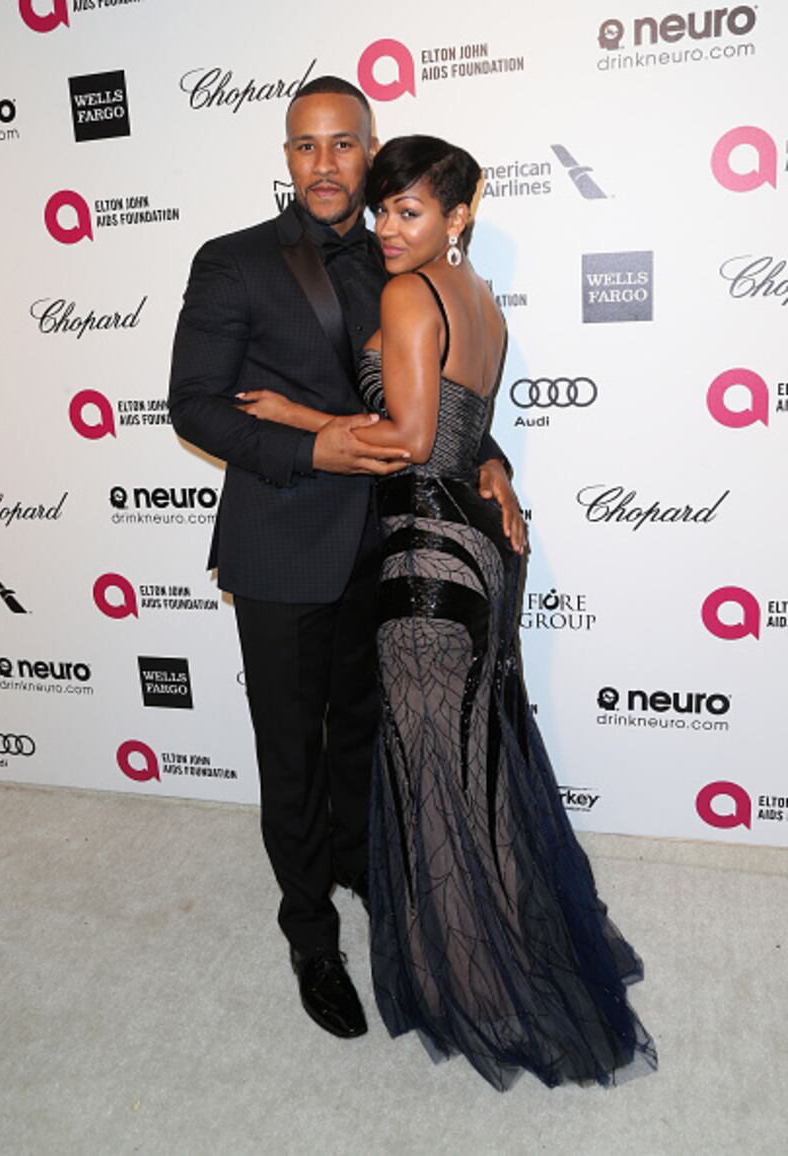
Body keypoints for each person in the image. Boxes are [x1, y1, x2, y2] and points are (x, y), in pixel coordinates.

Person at [256, 134, 659, 1091]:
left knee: (435, 771)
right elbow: (466, 430)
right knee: (480, 761)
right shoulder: (480, 300)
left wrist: (291, 415)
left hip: (425, 562)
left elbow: (407, 438)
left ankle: (477, 981)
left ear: (458, 215)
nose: (388, 229)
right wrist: (491, 465)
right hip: (479, 548)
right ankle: (514, 934)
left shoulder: (408, 295)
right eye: (383, 210)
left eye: (410, 211)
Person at [168, 78, 520, 1043]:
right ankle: (310, 937)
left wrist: (490, 458)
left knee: (364, 734)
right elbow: (194, 405)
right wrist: (310, 446)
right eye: (305, 146)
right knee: (293, 754)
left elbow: (429, 393)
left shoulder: (400, 257)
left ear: (371, 149)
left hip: (391, 544)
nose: (324, 165)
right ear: (287, 157)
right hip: (281, 543)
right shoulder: (234, 261)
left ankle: (363, 866)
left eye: (343, 144)